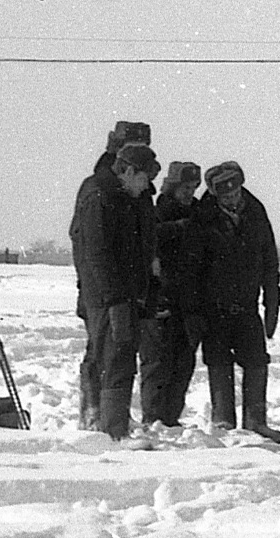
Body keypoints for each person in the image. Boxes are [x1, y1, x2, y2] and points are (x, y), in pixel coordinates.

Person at [68, 141, 161, 440]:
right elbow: (98, 254)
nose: (146, 186)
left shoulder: (124, 197)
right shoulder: (100, 196)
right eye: (144, 178)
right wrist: (115, 299)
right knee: (114, 358)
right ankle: (112, 430)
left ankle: (112, 424)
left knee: (119, 357)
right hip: (107, 298)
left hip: (123, 295)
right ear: (128, 170)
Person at [188, 161, 280, 442]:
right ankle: (223, 422)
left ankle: (256, 421)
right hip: (213, 307)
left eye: (235, 192)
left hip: (247, 305)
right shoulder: (203, 216)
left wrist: (273, 302)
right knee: (219, 363)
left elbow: (269, 260)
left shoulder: (256, 212)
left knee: (256, 362)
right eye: (225, 196)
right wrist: (194, 309)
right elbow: (192, 266)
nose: (232, 198)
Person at [137, 162, 206, 426]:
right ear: (173, 187)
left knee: (183, 364)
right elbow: (147, 243)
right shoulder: (156, 214)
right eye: (185, 188)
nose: (189, 193)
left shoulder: (199, 216)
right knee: (157, 364)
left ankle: (170, 418)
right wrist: (176, 229)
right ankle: (153, 418)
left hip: (189, 303)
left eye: (193, 188)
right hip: (161, 299)